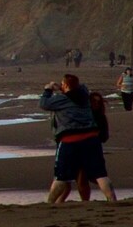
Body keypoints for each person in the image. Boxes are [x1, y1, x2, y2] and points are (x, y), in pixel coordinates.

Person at [42, 74, 113, 203]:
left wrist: (48, 89)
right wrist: (63, 87)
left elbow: (44, 104)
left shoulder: (62, 100)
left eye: (63, 84)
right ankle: (112, 199)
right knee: (100, 174)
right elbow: (78, 88)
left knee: (61, 177)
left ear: (65, 85)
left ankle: (50, 203)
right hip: (91, 138)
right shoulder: (84, 95)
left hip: (70, 139)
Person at [70, 91, 113, 202]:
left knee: (97, 176)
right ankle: (85, 201)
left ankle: (110, 196)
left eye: (98, 102)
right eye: (93, 101)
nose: (96, 104)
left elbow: (104, 136)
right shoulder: (83, 115)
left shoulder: (100, 117)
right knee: (81, 177)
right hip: (80, 147)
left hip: (93, 148)